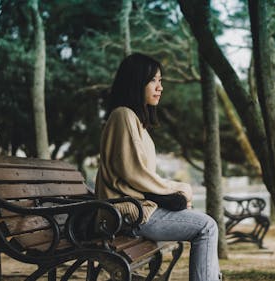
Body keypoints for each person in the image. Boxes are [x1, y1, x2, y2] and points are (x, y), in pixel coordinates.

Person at [95, 53, 221, 281]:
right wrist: (179, 188)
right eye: (154, 80)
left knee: (202, 223)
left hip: (136, 211)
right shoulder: (123, 116)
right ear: (136, 82)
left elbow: (140, 175)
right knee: (207, 227)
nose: (160, 87)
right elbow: (135, 174)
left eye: (160, 81)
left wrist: (176, 192)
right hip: (128, 214)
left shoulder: (135, 121)